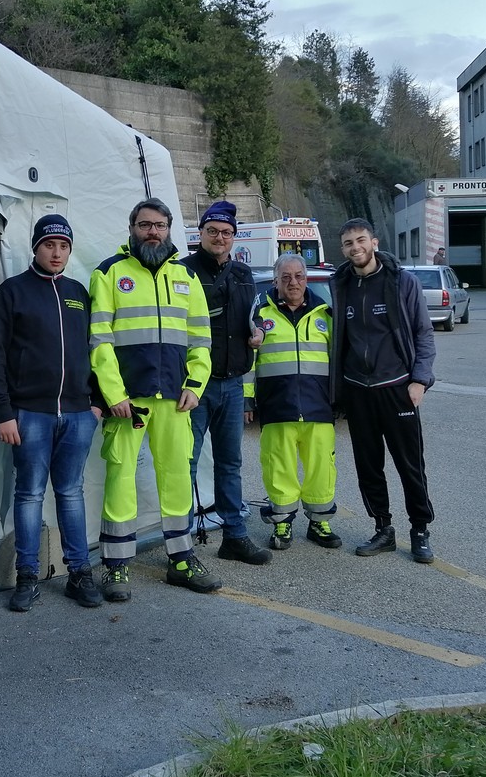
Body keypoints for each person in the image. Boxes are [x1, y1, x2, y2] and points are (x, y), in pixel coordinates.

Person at [89, 198, 221, 601]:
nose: (153, 232)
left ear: (168, 229)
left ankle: (181, 560)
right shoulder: (109, 273)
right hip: (128, 401)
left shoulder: (186, 276)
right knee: (120, 479)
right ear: (132, 228)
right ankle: (116, 566)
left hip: (175, 400)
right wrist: (114, 394)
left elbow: (201, 339)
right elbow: (100, 341)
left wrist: (195, 386)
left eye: (160, 225)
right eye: (145, 225)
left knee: (177, 478)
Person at [0, 214, 103, 612]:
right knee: (30, 494)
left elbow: (97, 349)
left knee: (71, 492)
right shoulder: (12, 292)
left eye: (64, 246)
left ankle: (79, 573)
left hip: (79, 415)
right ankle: (27, 576)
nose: (57, 252)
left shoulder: (78, 293)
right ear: (36, 248)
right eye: (49, 245)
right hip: (29, 414)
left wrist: (97, 403)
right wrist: (3, 411)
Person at [330, 218, 438, 564]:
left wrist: (419, 380)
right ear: (343, 249)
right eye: (349, 243)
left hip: (397, 388)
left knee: (410, 465)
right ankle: (383, 529)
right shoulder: (341, 284)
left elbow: (423, 333)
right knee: (369, 466)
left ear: (374, 242)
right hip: (358, 391)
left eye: (361, 240)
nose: (356, 248)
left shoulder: (401, 282)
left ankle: (419, 530)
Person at [182, 201, 272, 566]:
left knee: (230, 463)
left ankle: (234, 536)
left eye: (227, 232)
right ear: (201, 233)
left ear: (234, 237)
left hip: (233, 385)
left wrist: (259, 330)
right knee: (185, 464)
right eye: (213, 231)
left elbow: (256, 313)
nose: (220, 238)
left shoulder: (244, 273)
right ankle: (181, 544)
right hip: (195, 386)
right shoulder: (182, 271)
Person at [247, 253, 340, 551]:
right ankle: (282, 522)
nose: (293, 282)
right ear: (275, 281)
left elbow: (338, 361)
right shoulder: (260, 314)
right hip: (277, 406)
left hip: (319, 407)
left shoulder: (326, 315)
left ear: (306, 278)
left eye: (298, 276)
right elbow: (250, 360)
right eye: (285, 277)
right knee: (278, 467)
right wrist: (247, 400)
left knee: (321, 468)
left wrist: (341, 399)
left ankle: (320, 522)